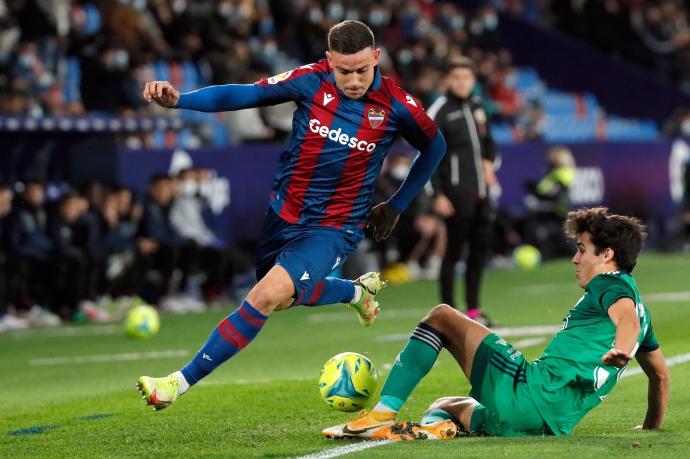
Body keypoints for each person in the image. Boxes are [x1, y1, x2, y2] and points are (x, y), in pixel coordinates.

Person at [136, 20, 446, 410]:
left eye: (362, 70)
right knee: (282, 298)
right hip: (283, 215)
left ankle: (176, 383)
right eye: (344, 70)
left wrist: (397, 206)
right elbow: (245, 95)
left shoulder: (398, 105)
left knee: (265, 297)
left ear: (377, 58)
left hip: (335, 226)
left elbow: (435, 148)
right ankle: (355, 291)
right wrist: (180, 99)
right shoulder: (309, 80)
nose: (353, 80)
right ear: (329, 59)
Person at [323, 207, 669, 440]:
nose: (575, 258)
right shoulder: (643, 311)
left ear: (606, 255)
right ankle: (434, 429)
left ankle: (381, 416)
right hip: (546, 426)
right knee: (445, 404)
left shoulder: (611, 285)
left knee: (441, 316)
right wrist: (651, 428)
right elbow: (660, 375)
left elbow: (624, 318)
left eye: (582, 249)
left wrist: (622, 348)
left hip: (532, 394)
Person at [427, 57, 498, 326]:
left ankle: (473, 310)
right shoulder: (439, 111)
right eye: (457, 78)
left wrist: (489, 166)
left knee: (479, 252)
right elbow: (427, 155)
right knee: (453, 253)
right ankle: (448, 314)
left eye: (467, 78)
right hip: (455, 193)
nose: (462, 83)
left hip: (481, 191)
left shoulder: (479, 106)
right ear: (447, 80)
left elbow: (488, 143)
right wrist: (437, 194)